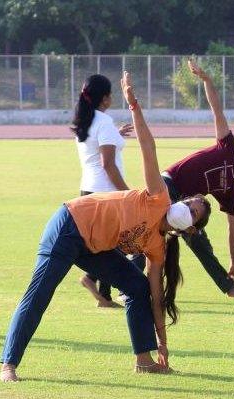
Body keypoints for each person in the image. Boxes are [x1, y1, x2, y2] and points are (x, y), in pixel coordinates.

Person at [0, 72, 212, 383]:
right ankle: (9, 364)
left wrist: (163, 344)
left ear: (190, 229)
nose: (188, 210)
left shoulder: (157, 248)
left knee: (136, 287)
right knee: (41, 292)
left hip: (94, 247)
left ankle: (143, 359)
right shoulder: (159, 197)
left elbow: (154, 296)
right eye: (191, 204)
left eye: (194, 215)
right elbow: (149, 149)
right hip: (69, 226)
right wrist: (133, 104)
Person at [161, 59, 234, 298]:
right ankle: (116, 281)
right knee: (156, 233)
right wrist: (208, 81)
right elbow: (217, 110)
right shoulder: (228, 148)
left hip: (184, 203)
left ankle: (229, 286)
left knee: (195, 240)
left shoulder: (232, 192)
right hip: (168, 183)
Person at [70, 74, 138, 308]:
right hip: (105, 193)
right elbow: (107, 165)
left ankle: (103, 294)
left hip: (88, 190)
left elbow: (95, 151)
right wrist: (128, 193)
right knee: (114, 241)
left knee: (106, 243)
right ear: (106, 98)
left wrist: (115, 135)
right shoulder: (103, 122)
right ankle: (92, 279)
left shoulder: (86, 121)